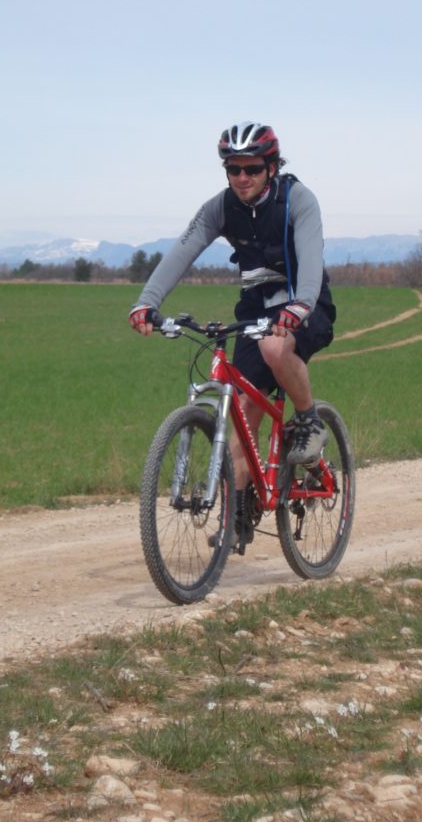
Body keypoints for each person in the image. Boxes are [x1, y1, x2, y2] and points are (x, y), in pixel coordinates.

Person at [129, 121, 336, 549]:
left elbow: (312, 259)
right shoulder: (220, 208)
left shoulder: (298, 199)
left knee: (276, 347)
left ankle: (309, 420)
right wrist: (146, 302)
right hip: (255, 309)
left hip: (304, 302)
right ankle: (240, 510)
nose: (242, 177)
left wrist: (300, 307)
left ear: (271, 167)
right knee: (241, 410)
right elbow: (182, 252)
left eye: (252, 168)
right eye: (233, 169)